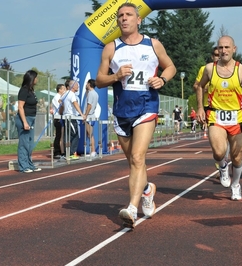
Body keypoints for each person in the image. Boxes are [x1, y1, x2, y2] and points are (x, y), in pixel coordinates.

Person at [96, 2, 176, 228]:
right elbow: (99, 80)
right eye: (120, 15)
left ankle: (132, 207)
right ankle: (148, 188)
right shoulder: (111, 48)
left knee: (138, 158)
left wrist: (163, 79)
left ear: (138, 20)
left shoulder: (153, 44)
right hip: (122, 111)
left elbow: (170, 67)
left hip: (147, 107)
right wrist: (115, 76)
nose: (124, 18)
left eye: (129, 15)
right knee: (133, 161)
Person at [196, 36, 242, 201]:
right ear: (217, 50)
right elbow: (199, 86)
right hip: (215, 116)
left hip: (236, 118)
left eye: (227, 47)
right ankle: (223, 166)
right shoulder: (210, 69)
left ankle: (236, 184)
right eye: (220, 48)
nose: (223, 51)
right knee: (218, 153)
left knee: (237, 156)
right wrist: (200, 108)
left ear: (234, 49)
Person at [15, 70, 42, 173]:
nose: (37, 79)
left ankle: (29, 164)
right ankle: (23, 166)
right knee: (24, 143)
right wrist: (25, 122)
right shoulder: (24, 90)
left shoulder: (31, 90)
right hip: (24, 119)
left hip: (31, 119)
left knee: (30, 143)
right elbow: (20, 107)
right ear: (31, 78)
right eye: (36, 77)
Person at [194, 47, 220, 134]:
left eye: (221, 55)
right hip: (208, 105)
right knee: (214, 133)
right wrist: (205, 89)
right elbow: (196, 86)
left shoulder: (230, 70)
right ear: (212, 57)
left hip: (224, 106)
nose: (219, 57)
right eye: (216, 55)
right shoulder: (205, 69)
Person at [63, 79, 86, 159]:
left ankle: (67, 153)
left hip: (66, 117)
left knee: (68, 135)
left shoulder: (65, 94)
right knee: (75, 135)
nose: (78, 86)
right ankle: (71, 153)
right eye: (77, 85)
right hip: (71, 117)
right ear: (72, 86)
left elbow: (60, 102)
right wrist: (81, 114)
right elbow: (75, 104)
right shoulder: (71, 94)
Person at [50, 84, 67, 159]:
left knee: (62, 135)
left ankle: (62, 150)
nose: (65, 90)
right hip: (58, 118)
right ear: (59, 90)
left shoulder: (62, 97)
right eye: (63, 89)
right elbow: (59, 107)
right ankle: (56, 152)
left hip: (62, 118)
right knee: (58, 135)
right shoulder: (56, 97)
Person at [84, 79, 99, 158]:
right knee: (89, 134)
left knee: (90, 134)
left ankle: (93, 151)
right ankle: (92, 150)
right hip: (91, 115)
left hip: (89, 116)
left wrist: (85, 115)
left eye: (87, 83)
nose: (86, 85)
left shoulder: (91, 93)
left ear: (89, 84)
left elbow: (89, 105)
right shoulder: (95, 93)